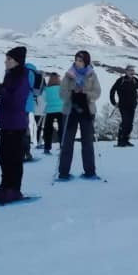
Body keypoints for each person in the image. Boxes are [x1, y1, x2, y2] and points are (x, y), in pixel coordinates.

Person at [0, 47, 31, 204]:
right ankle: (5, 186)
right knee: (4, 157)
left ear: (17, 61)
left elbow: (14, 99)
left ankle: (14, 189)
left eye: (9, 59)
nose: (6, 62)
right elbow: (6, 96)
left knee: (14, 157)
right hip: (7, 122)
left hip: (16, 123)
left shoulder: (23, 76)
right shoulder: (11, 75)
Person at [58, 50, 101, 179]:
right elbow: (61, 93)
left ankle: (90, 171)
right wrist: (72, 93)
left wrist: (86, 93)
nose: (78, 62)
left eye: (81, 60)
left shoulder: (92, 75)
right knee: (67, 142)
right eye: (76, 60)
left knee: (87, 142)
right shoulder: (69, 74)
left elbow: (97, 92)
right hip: (70, 110)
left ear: (86, 61)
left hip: (87, 110)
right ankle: (63, 172)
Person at [109, 65, 138, 147]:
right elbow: (112, 91)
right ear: (126, 71)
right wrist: (114, 102)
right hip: (122, 105)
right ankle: (120, 141)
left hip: (132, 105)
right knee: (125, 122)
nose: (132, 72)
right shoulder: (120, 80)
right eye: (130, 70)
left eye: (133, 70)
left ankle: (126, 140)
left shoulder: (135, 80)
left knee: (130, 124)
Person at [41, 73, 64, 155]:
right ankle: (62, 146)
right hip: (61, 110)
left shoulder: (46, 89)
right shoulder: (61, 88)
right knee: (62, 129)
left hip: (49, 110)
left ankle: (47, 147)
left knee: (48, 129)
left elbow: (44, 99)